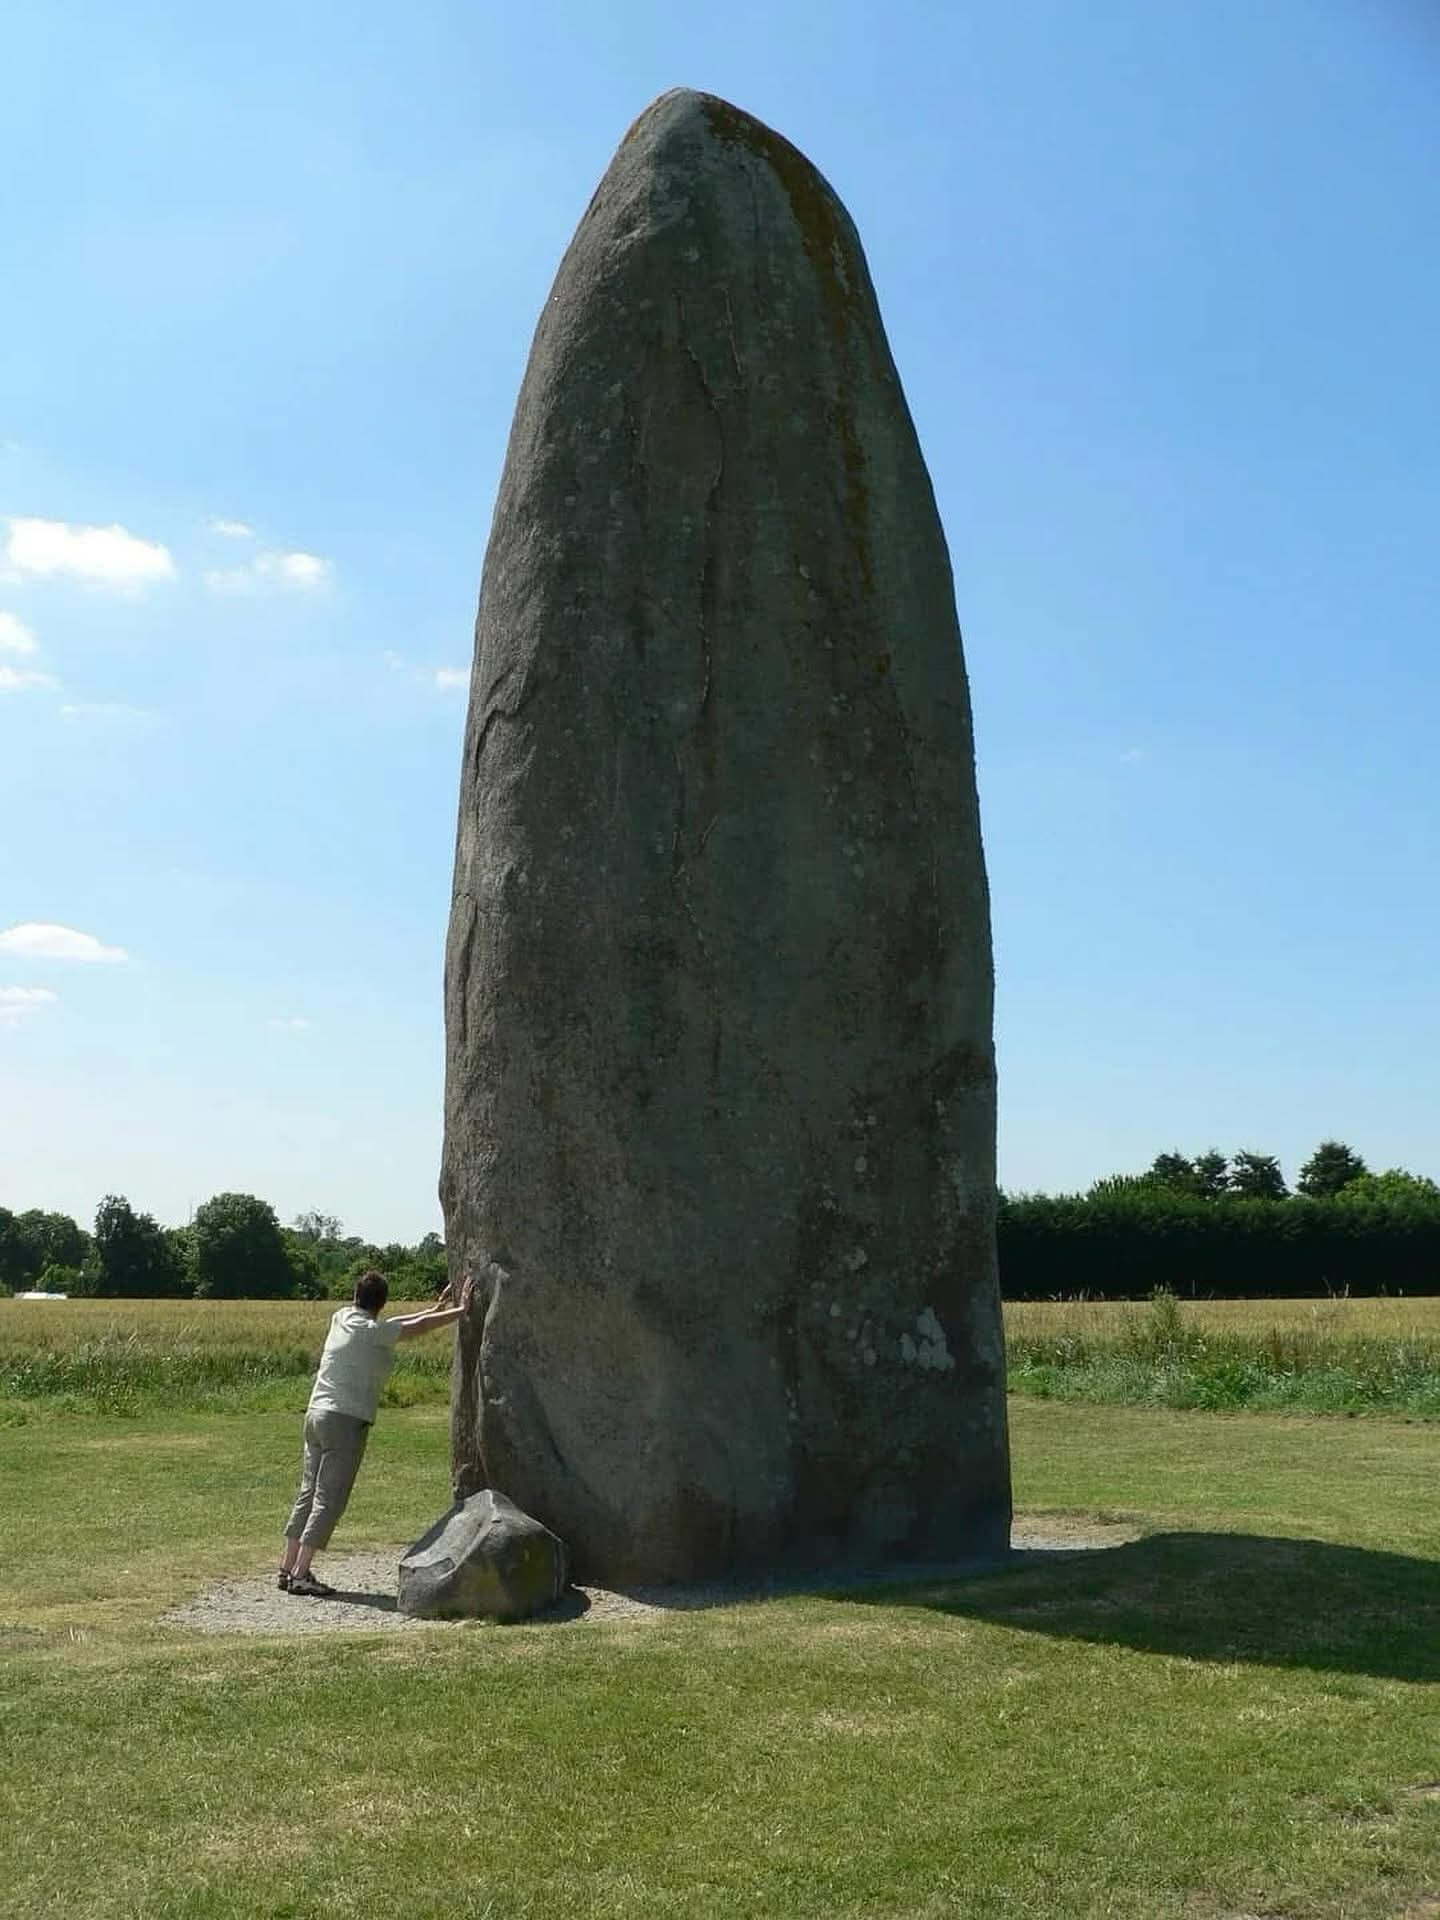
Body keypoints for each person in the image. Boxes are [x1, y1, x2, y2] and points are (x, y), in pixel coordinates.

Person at [279, 1267, 474, 1598]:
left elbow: (403, 1323)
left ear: (356, 1297)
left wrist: (436, 1308)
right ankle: (301, 1573)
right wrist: (462, 1311)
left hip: (315, 1415)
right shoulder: (373, 1331)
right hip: (345, 1420)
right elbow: (415, 1328)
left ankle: (287, 1567)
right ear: (381, 1303)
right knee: (329, 1498)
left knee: (307, 1493)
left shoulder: (342, 1317)